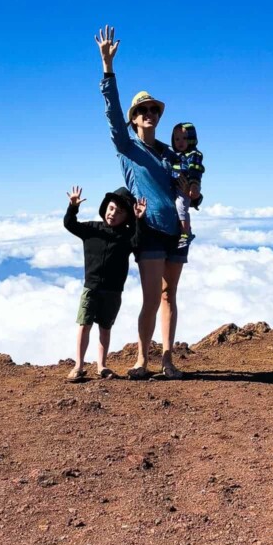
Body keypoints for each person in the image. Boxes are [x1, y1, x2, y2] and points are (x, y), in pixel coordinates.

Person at [95, 24, 189, 380]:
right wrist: (108, 68)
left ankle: (167, 360)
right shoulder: (127, 147)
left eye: (154, 110)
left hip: (176, 232)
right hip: (148, 230)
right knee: (152, 298)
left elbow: (188, 189)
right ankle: (142, 360)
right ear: (134, 119)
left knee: (170, 296)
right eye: (143, 110)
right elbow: (111, 114)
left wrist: (190, 191)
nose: (150, 114)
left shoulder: (168, 153)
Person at [63, 184, 146, 382]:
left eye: (119, 211)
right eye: (110, 208)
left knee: (105, 328)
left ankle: (101, 365)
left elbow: (138, 242)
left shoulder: (126, 236)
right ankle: (79, 365)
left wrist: (139, 220)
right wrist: (73, 207)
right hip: (91, 288)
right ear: (104, 208)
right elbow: (69, 224)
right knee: (84, 325)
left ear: (127, 216)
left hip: (113, 291)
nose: (113, 214)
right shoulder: (92, 229)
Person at [171, 122, 205, 247]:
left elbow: (195, 170)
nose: (180, 142)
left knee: (181, 207)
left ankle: (185, 234)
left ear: (192, 139)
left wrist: (193, 185)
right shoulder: (177, 156)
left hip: (188, 185)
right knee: (179, 207)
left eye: (185, 138)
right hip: (178, 186)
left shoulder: (194, 155)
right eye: (177, 139)